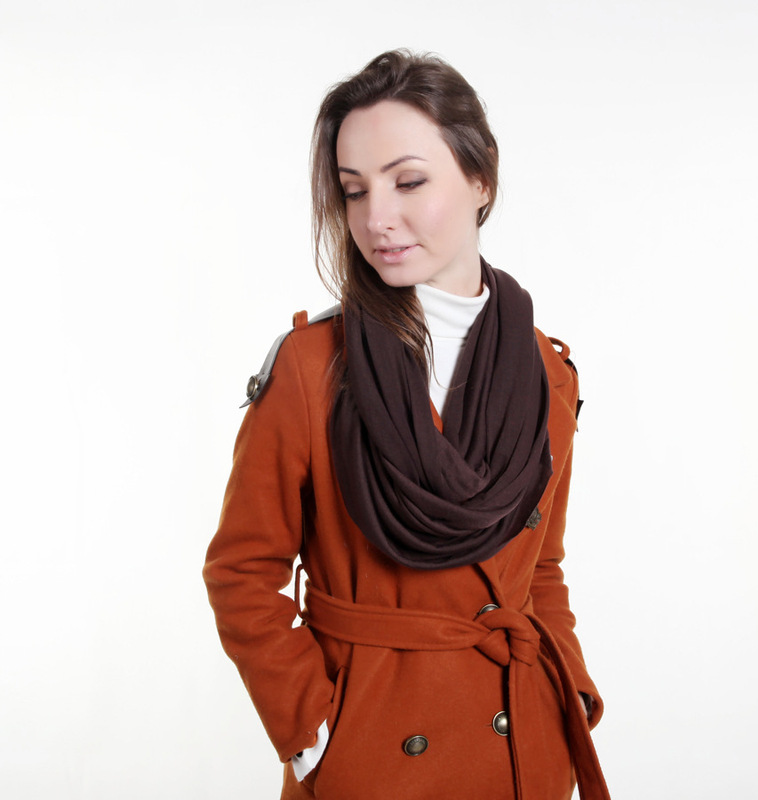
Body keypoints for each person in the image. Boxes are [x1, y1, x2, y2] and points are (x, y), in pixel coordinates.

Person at [204, 49, 610, 800]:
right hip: (373, 756)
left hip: (523, 746)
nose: (375, 219)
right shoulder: (310, 367)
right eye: (354, 190)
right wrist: (312, 732)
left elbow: (538, 569)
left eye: (408, 181)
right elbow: (242, 571)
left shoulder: (549, 372)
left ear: (481, 178)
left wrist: (569, 691)